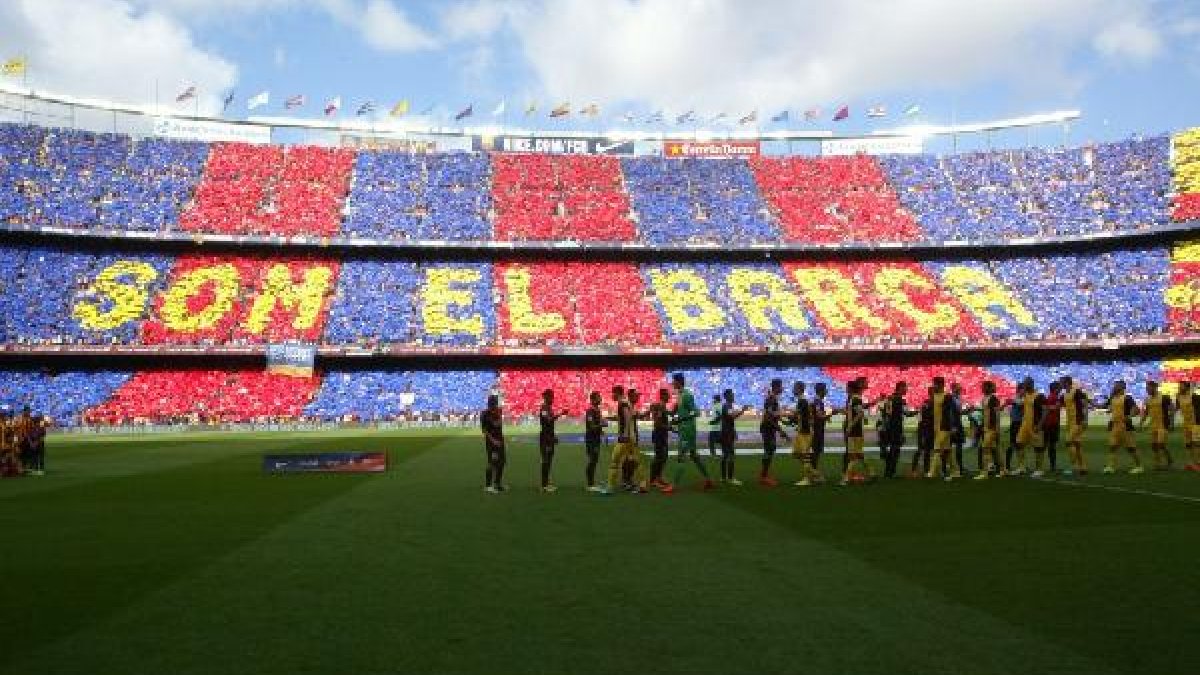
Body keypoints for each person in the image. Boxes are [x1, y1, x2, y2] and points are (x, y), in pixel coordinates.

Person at [669, 373, 714, 491]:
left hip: (687, 431)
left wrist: (681, 419)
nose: (672, 383)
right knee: (694, 457)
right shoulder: (679, 394)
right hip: (684, 429)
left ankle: (673, 485)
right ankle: (708, 480)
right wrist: (673, 418)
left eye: (673, 381)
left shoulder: (687, 395)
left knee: (681, 458)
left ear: (679, 382)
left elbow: (696, 412)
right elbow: (680, 411)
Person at [604, 386, 648, 494]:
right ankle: (642, 484)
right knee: (635, 461)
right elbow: (627, 417)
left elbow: (627, 419)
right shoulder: (626, 403)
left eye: (613, 393)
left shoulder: (623, 403)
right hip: (630, 437)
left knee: (615, 461)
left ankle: (610, 487)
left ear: (617, 393)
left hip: (625, 438)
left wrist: (624, 435)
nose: (612, 395)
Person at [1104, 380, 1143, 475]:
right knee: (1113, 447)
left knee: (1131, 448)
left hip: (1125, 427)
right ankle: (1111, 466)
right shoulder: (1112, 398)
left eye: (1116, 385)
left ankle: (1139, 466)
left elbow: (1136, 410)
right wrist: (1090, 402)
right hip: (1114, 426)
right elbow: (1106, 406)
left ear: (1122, 387)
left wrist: (1129, 416)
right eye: (1114, 385)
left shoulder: (1127, 398)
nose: (1114, 387)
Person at [927, 376, 961, 480]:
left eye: (935, 384)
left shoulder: (947, 396)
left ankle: (931, 473)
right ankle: (956, 472)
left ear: (941, 385)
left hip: (945, 427)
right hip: (936, 427)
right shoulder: (934, 395)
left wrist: (954, 426)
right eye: (934, 384)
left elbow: (952, 412)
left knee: (937, 448)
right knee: (948, 450)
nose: (934, 386)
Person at [785, 381, 818, 486]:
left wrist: (780, 414)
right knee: (796, 453)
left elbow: (795, 416)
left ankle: (808, 479)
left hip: (805, 432)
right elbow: (799, 417)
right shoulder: (802, 401)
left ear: (799, 389)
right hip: (801, 431)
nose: (793, 390)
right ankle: (815, 474)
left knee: (805, 455)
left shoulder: (802, 401)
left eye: (794, 388)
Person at [758, 378, 788, 487]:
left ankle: (764, 475)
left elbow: (773, 416)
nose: (782, 388)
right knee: (769, 450)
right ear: (776, 387)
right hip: (767, 428)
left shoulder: (773, 398)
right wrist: (780, 430)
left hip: (769, 427)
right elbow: (768, 417)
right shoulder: (771, 399)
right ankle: (763, 477)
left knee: (770, 449)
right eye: (780, 386)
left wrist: (783, 421)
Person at [537, 389, 568, 493]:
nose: (552, 398)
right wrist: (561, 414)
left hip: (549, 437)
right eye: (551, 396)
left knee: (549, 460)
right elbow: (548, 420)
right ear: (546, 397)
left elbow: (550, 424)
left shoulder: (549, 408)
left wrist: (553, 436)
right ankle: (544, 485)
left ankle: (546, 483)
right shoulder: (544, 408)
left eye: (552, 396)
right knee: (546, 460)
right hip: (545, 438)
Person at [1013, 378, 1045, 476]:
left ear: (1031, 384)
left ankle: (1039, 469)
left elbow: (1044, 411)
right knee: (1019, 443)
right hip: (1025, 424)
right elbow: (1018, 402)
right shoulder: (1025, 395)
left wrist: (1039, 425)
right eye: (1024, 385)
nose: (1024, 386)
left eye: (1026, 385)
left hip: (1035, 425)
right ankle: (1021, 467)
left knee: (1038, 447)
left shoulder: (1039, 396)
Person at [974, 381, 1006, 480]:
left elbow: (997, 414)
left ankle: (985, 472)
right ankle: (1002, 470)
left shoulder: (994, 399)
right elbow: (985, 412)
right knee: (995, 449)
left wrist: (997, 429)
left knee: (985, 448)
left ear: (988, 388)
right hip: (986, 428)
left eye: (983, 387)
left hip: (992, 429)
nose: (982, 389)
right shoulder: (984, 399)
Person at [1139, 381, 1173, 471]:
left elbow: (1171, 409)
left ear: (1155, 387)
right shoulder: (1147, 399)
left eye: (1148, 388)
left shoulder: (1164, 397)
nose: (1147, 390)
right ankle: (1158, 463)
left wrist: (1171, 422)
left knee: (1160, 444)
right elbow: (1146, 412)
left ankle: (1168, 460)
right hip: (1153, 425)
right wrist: (1141, 423)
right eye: (1147, 388)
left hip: (1163, 424)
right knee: (1154, 445)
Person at [717, 388, 748, 486]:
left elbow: (729, 419)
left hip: (725, 432)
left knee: (725, 455)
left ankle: (723, 477)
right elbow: (732, 417)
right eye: (732, 395)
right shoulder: (727, 405)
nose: (733, 396)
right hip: (727, 433)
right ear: (727, 396)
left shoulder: (727, 405)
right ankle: (730, 478)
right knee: (730, 455)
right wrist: (742, 410)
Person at [878, 382, 910, 479]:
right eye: (905, 388)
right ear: (900, 388)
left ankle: (888, 471)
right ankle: (890, 472)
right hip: (896, 427)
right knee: (895, 450)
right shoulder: (900, 400)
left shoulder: (889, 398)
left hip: (887, 427)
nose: (906, 390)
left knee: (891, 449)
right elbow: (906, 413)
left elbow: (884, 412)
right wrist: (918, 411)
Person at [647, 388, 676, 493]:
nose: (669, 397)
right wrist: (669, 427)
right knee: (659, 457)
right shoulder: (660, 406)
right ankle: (653, 480)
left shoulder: (662, 406)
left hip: (662, 435)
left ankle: (658, 477)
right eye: (667, 395)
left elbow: (670, 414)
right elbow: (658, 423)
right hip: (659, 435)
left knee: (663, 457)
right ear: (663, 396)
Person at [1060, 376, 1089, 476]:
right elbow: (1058, 405)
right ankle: (1083, 468)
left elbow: (1085, 404)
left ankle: (1073, 465)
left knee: (1068, 441)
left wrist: (1085, 419)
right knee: (1077, 445)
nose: (1060, 384)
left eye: (1062, 382)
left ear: (1067, 382)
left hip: (1078, 421)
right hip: (1070, 423)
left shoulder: (1076, 392)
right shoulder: (1064, 395)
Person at [841, 380, 868, 485]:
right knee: (857, 454)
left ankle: (847, 478)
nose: (846, 389)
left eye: (847, 387)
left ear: (851, 388)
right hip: (855, 430)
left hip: (855, 431)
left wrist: (850, 426)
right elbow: (856, 413)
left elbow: (860, 413)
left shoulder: (855, 399)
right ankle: (871, 472)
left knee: (853, 455)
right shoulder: (853, 399)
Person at [481, 395, 506, 493]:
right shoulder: (484, 414)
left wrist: (499, 414)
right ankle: (488, 486)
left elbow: (499, 425)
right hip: (492, 443)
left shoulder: (498, 411)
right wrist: (493, 440)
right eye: (494, 403)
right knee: (492, 462)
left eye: (496, 402)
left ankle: (497, 484)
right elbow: (484, 430)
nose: (495, 404)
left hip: (500, 441)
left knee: (502, 462)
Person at [583, 391, 607, 492]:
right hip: (591, 439)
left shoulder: (597, 410)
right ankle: (590, 484)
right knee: (592, 460)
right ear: (592, 400)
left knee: (595, 460)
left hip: (596, 439)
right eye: (598, 397)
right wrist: (602, 425)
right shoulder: (590, 411)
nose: (600, 399)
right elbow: (592, 426)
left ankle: (592, 482)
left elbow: (596, 426)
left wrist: (601, 432)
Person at [1040, 382, 1063, 476]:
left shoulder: (1051, 397)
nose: (1061, 389)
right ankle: (1051, 466)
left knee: (1047, 445)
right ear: (1055, 389)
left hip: (1050, 424)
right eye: (1059, 388)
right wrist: (1057, 406)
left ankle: (1044, 466)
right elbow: (1050, 408)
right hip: (1051, 424)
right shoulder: (1053, 397)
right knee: (1050, 445)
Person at [1177, 381, 1200, 472]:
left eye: (1181, 386)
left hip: (1195, 424)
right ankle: (1191, 463)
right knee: (1188, 444)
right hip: (1186, 425)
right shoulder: (1178, 397)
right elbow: (1179, 408)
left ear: (1187, 387)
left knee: (1197, 444)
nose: (1179, 388)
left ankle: (1198, 463)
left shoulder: (1194, 397)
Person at [911, 387, 934, 478]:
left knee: (928, 451)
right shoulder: (927, 403)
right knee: (920, 449)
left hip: (931, 429)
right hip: (924, 429)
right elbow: (924, 416)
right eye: (932, 392)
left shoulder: (933, 402)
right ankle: (913, 470)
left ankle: (927, 470)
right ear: (930, 392)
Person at [811, 382, 831, 475]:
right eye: (825, 389)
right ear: (821, 391)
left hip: (818, 429)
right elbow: (819, 416)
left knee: (816, 451)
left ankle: (814, 471)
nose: (826, 391)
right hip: (817, 430)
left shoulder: (818, 401)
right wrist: (832, 413)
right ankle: (813, 471)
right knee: (816, 451)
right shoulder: (817, 402)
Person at [706, 394, 722, 459]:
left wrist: (713, 421)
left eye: (714, 399)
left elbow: (720, 415)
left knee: (712, 441)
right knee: (719, 441)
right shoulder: (717, 405)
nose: (713, 400)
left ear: (716, 399)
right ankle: (726, 453)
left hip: (716, 427)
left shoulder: (718, 406)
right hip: (717, 427)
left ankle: (713, 455)